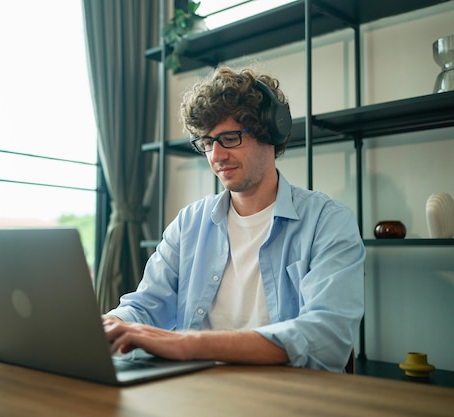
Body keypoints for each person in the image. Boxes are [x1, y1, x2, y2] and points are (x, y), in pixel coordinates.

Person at [103, 66, 365, 372]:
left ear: (270, 132)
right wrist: (113, 324)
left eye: (229, 138)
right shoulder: (190, 223)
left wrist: (188, 344)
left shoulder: (327, 222)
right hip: (198, 392)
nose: (216, 155)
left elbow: (325, 336)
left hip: (288, 397)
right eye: (206, 142)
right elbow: (147, 305)